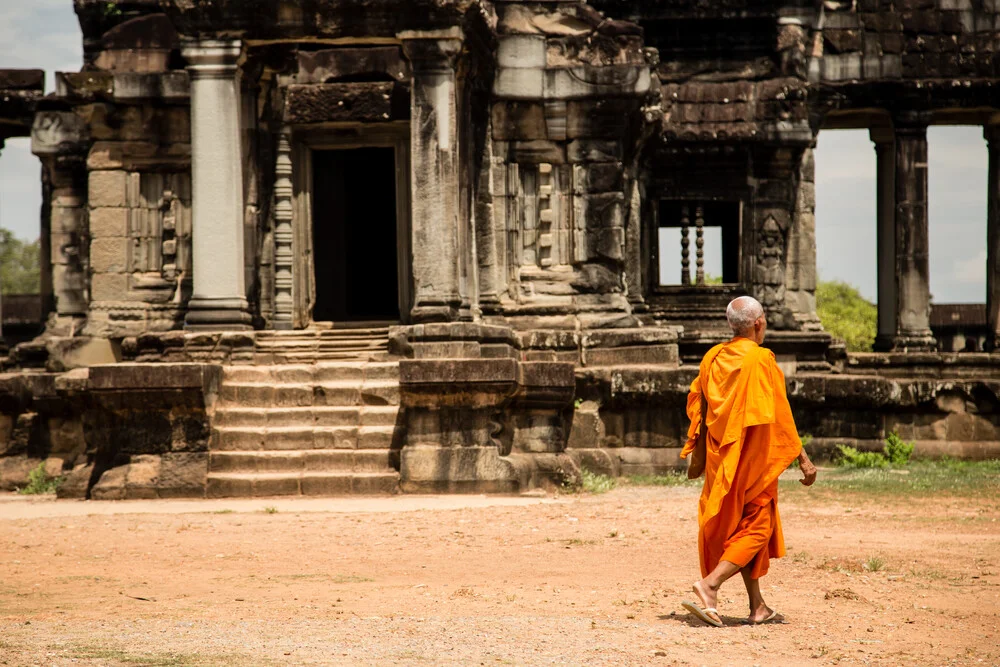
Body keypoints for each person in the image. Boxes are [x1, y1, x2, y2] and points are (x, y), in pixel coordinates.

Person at [680, 295, 817, 627]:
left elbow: (697, 405)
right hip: (754, 461)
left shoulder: (713, 357)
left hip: (722, 460)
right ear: (758, 323)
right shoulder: (761, 360)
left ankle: (758, 607)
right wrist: (804, 459)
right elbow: (780, 415)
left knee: (740, 529)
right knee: (757, 528)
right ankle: (709, 586)